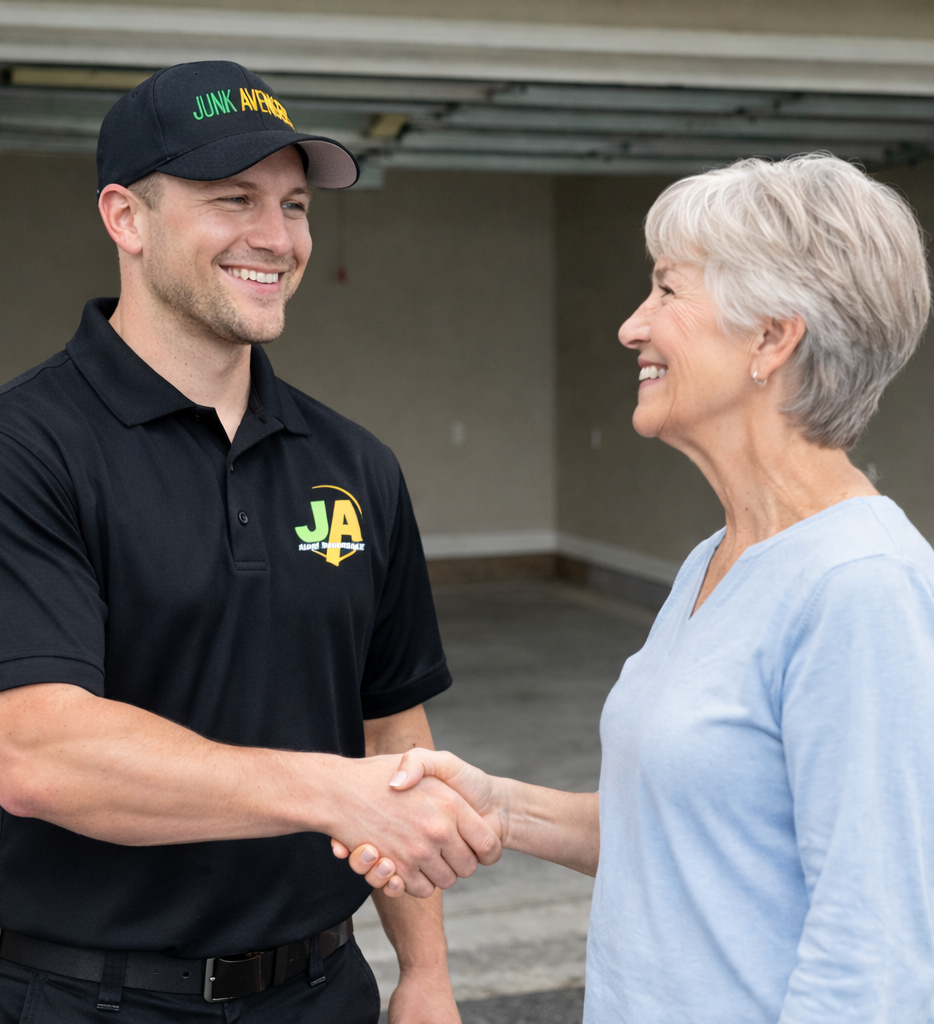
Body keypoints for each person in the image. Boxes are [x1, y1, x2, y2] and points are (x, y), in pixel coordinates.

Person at [0, 61, 501, 1024]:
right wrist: (329, 794)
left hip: (321, 991)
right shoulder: (5, 457)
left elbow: (389, 731)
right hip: (81, 998)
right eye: (233, 199)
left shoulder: (355, 464)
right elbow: (40, 755)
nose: (277, 238)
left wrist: (425, 974)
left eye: (296, 205)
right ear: (126, 218)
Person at [339, 154, 934, 1023]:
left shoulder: (861, 588)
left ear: (772, 337)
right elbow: (690, 837)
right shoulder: (715, 560)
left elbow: (875, 960)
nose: (630, 327)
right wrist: (499, 806)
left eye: (666, 290)